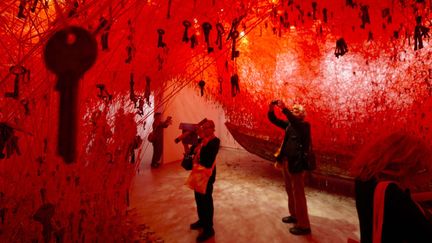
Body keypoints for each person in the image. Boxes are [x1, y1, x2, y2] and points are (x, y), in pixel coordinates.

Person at [351, 131, 432, 243]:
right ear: (406, 166)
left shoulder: (364, 180)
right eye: (422, 169)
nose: (424, 177)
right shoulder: (394, 196)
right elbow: (424, 234)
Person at [267, 100, 312, 235]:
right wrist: (271, 109)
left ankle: (304, 225)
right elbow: (274, 120)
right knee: (290, 191)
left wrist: (285, 109)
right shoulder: (290, 125)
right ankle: (294, 215)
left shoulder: (304, 126)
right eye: (293, 110)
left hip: (297, 164)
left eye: (296, 110)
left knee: (298, 194)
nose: (293, 111)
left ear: (302, 115)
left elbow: (294, 121)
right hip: (286, 162)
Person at [185, 120, 220, 242]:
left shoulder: (215, 142)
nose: (204, 130)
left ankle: (209, 229)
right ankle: (202, 220)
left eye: (206, 128)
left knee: (206, 201)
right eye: (203, 128)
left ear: (212, 128)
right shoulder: (201, 141)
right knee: (198, 199)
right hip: (197, 174)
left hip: (207, 176)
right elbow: (191, 151)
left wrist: (202, 145)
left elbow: (207, 160)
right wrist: (187, 147)